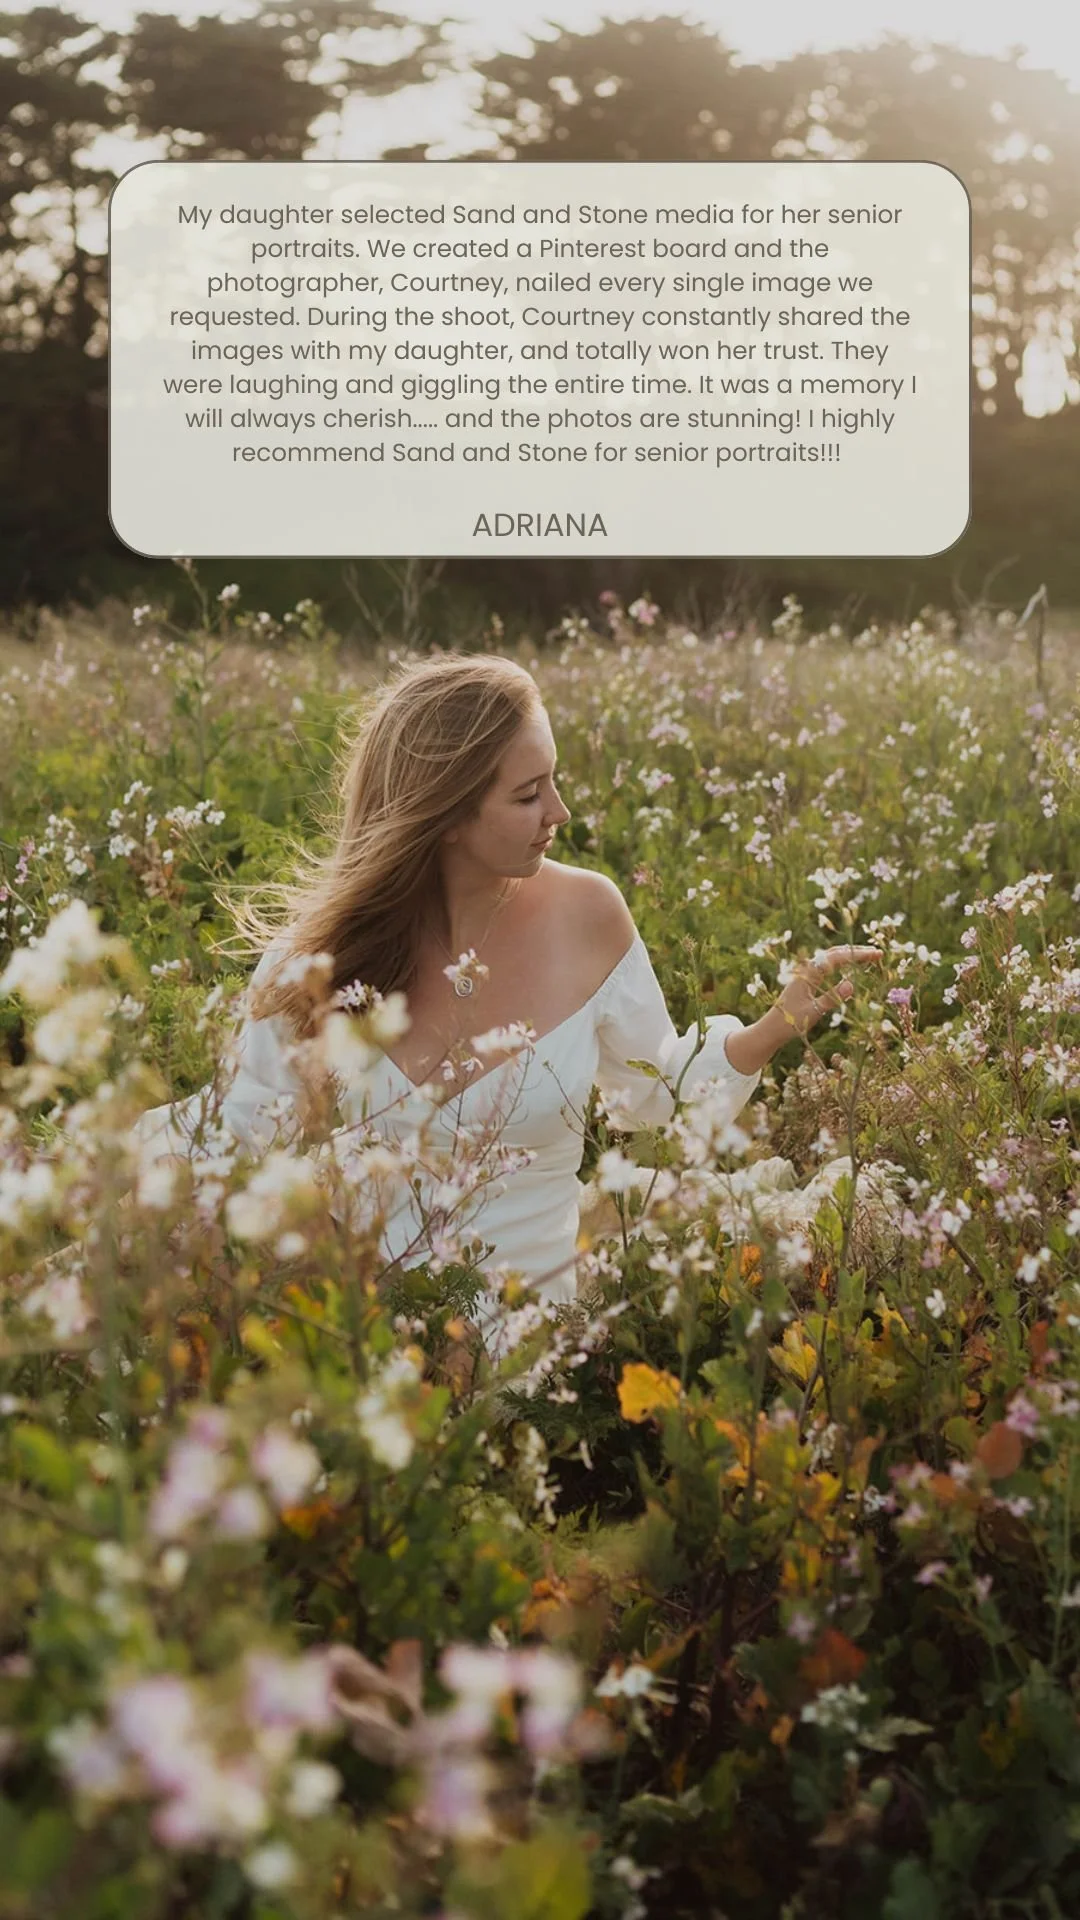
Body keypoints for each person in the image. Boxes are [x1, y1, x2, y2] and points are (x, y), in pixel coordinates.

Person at [131, 652, 882, 1348]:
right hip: (357, 1356)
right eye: (528, 794)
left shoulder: (588, 915)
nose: (559, 811)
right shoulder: (319, 960)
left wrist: (771, 1029)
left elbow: (659, 1092)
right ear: (446, 815)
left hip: (536, 1355)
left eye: (552, 780)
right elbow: (235, 1141)